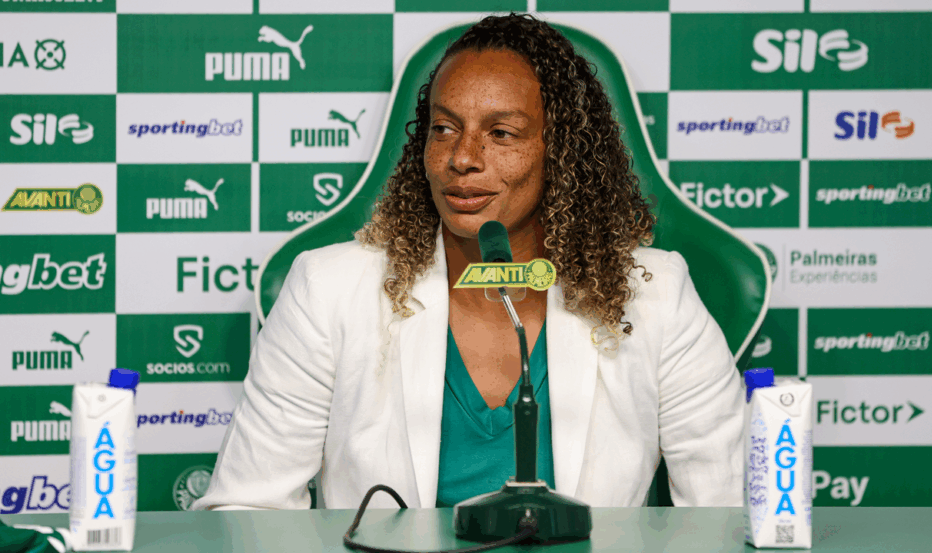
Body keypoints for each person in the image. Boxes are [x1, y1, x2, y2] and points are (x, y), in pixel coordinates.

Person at [193, 13, 743, 511]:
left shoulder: (655, 294)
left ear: (560, 151)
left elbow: (728, 511)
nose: (462, 157)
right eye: (444, 128)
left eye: (501, 134)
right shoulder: (329, 288)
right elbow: (248, 509)